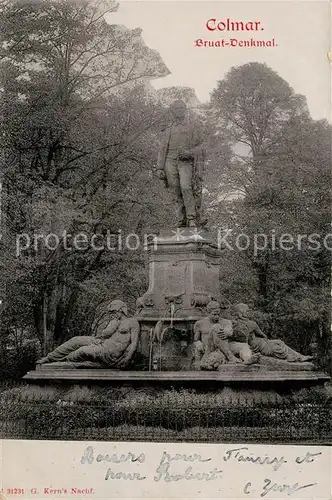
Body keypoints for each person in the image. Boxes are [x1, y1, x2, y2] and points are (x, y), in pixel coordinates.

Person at [36, 299, 140, 368]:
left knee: (82, 351)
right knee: (76, 340)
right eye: (112, 313)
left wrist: (127, 359)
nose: (113, 314)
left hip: (109, 353)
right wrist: (111, 327)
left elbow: (134, 344)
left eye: (114, 312)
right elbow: (105, 334)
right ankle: (50, 358)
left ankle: (58, 362)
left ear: (121, 310)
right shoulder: (115, 321)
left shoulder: (132, 322)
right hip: (102, 342)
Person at [156, 100, 205, 228]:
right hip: (169, 161)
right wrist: (159, 167)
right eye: (176, 108)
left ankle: (192, 218)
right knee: (176, 190)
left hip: (185, 161)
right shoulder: (168, 128)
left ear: (185, 109)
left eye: (181, 108)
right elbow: (162, 148)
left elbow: (202, 145)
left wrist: (190, 153)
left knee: (186, 187)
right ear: (172, 110)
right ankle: (181, 218)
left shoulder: (192, 126)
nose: (179, 110)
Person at [232, 303, 313, 363]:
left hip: (252, 346)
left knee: (279, 343)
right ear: (243, 312)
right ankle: (297, 357)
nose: (248, 313)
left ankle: (298, 356)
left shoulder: (234, 324)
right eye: (247, 311)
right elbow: (263, 335)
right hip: (260, 345)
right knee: (279, 345)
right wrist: (263, 339)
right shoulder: (252, 323)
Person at [193, 300, 239, 369]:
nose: (217, 317)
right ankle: (231, 357)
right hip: (207, 348)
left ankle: (228, 357)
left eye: (218, 314)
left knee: (216, 327)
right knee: (215, 327)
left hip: (221, 350)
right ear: (208, 312)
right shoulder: (200, 323)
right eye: (214, 314)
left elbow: (230, 331)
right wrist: (198, 343)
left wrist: (227, 333)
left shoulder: (226, 322)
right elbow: (196, 340)